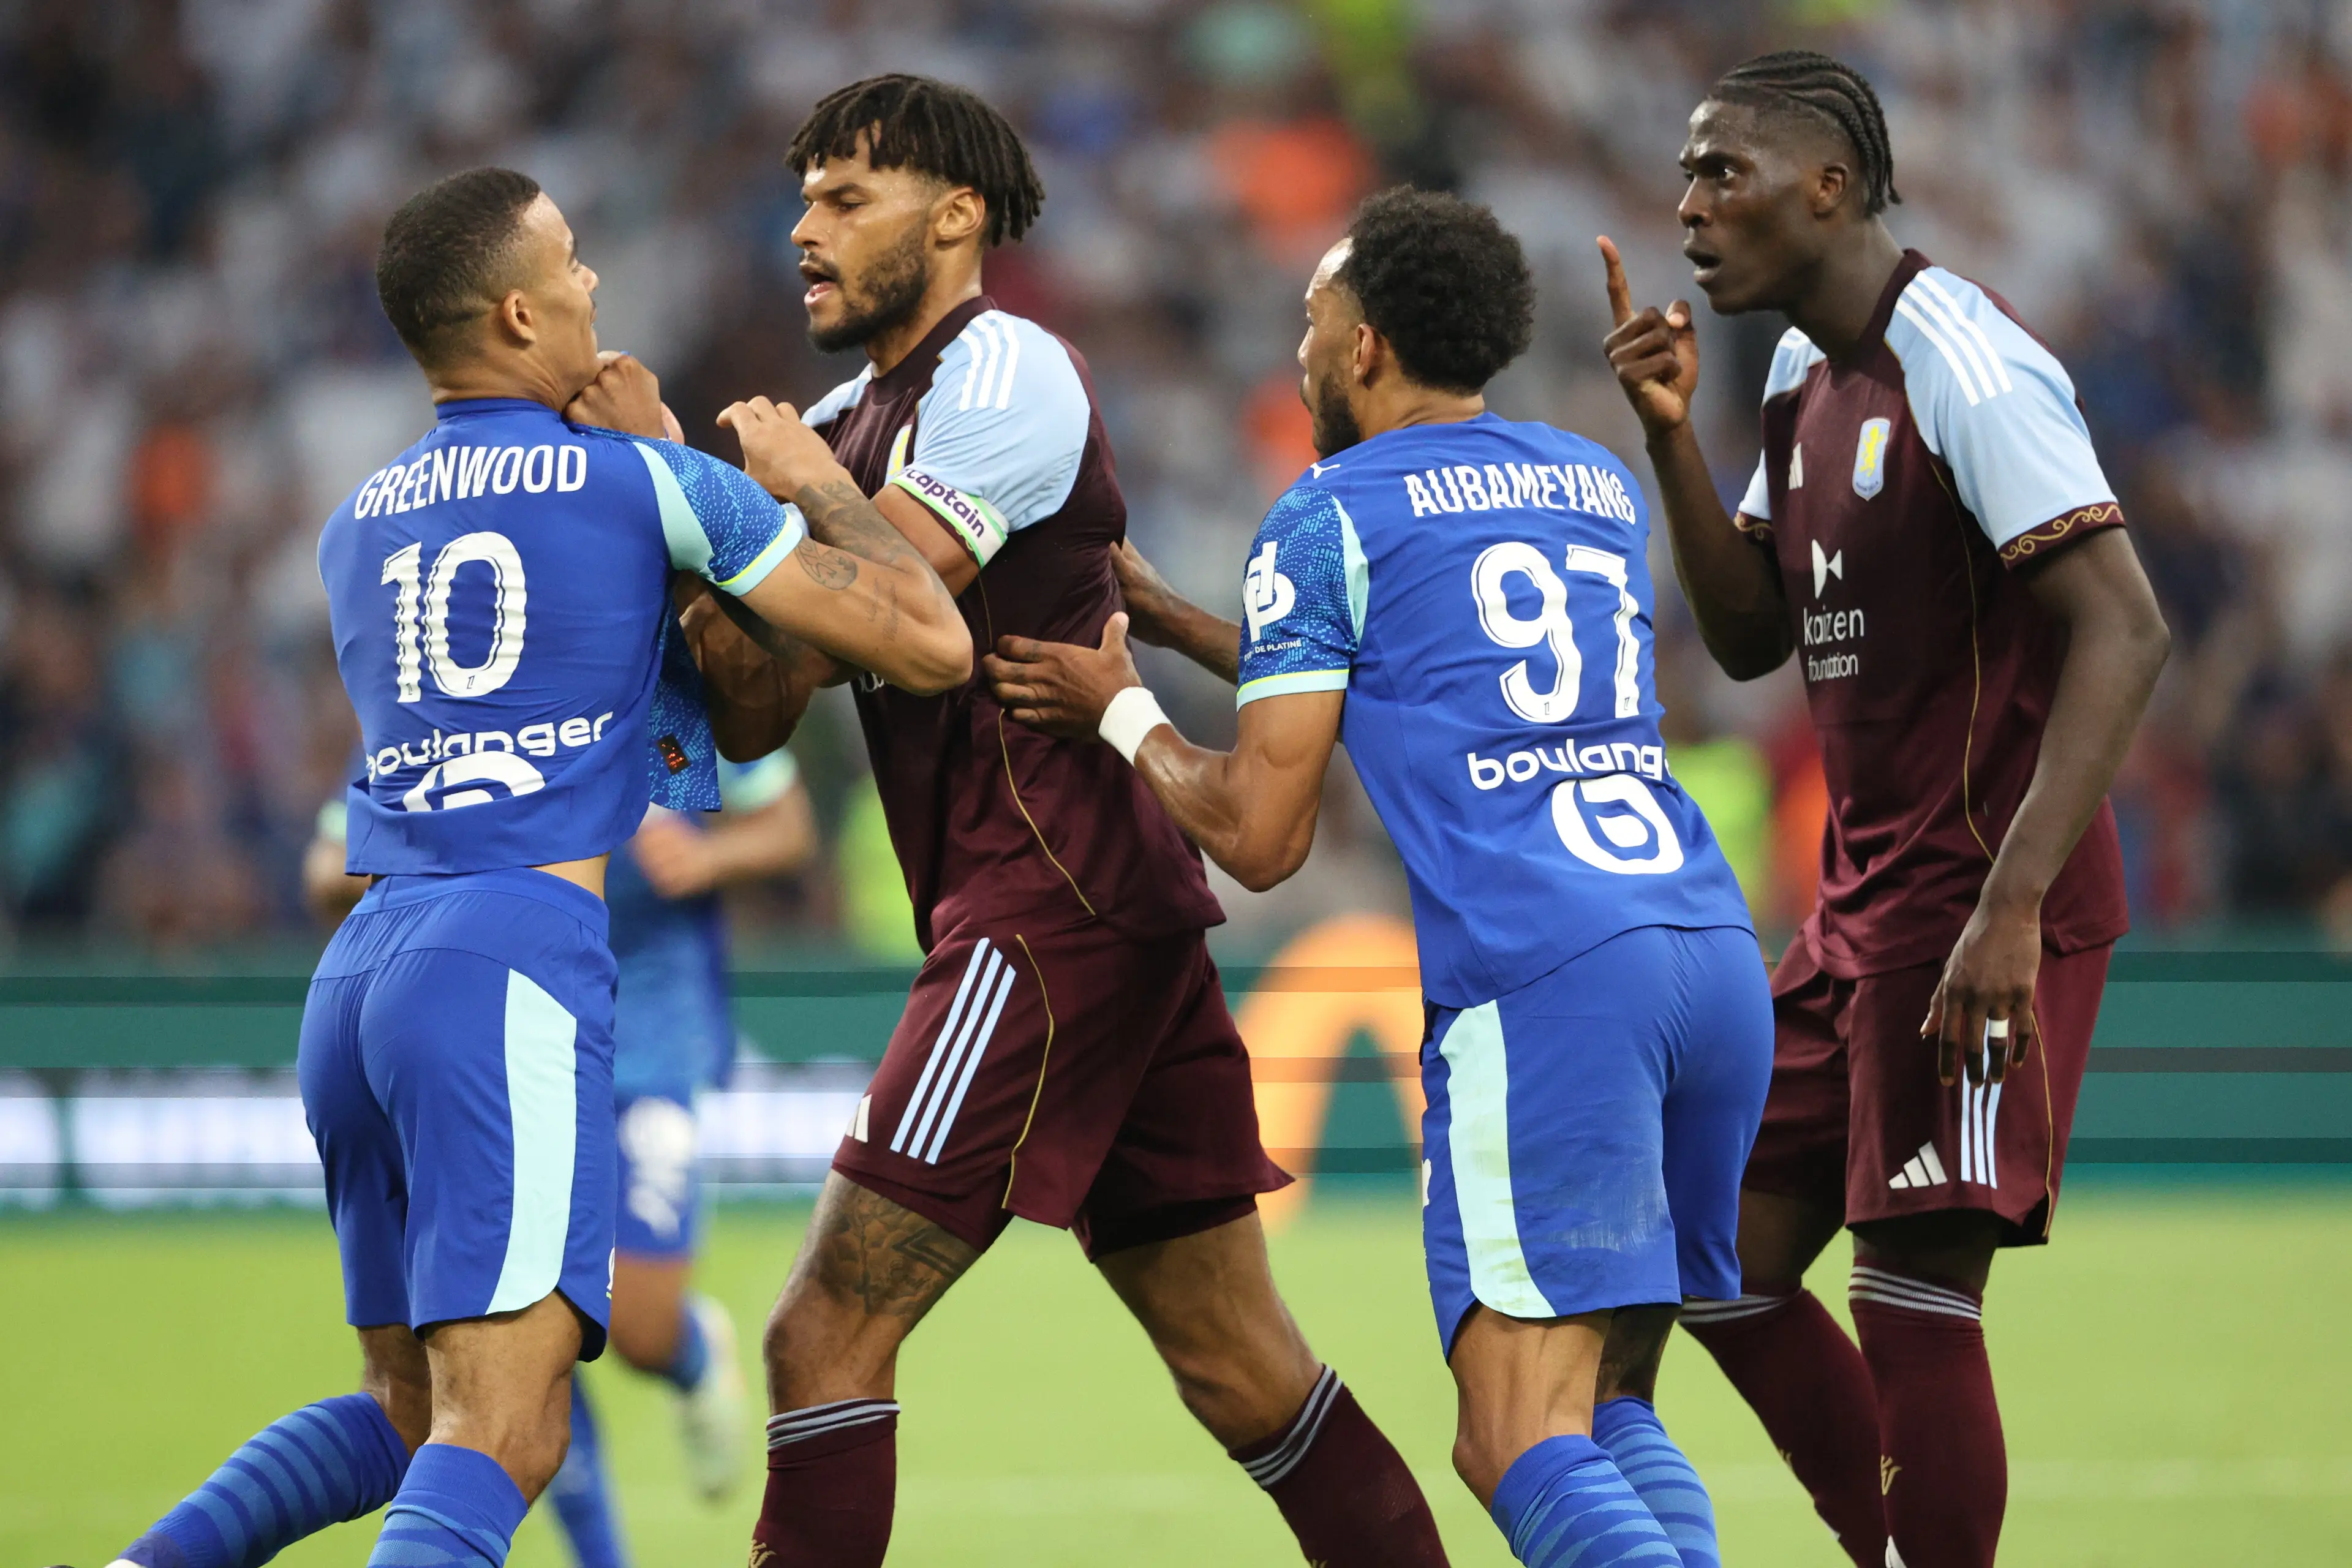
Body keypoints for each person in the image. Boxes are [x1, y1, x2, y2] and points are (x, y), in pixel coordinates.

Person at [104, 165, 967, 1568]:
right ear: (519, 310)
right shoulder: (641, 479)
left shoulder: (357, 522)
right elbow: (929, 640)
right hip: (512, 962)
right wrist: (800, 486)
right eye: (572, 266)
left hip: (364, 968)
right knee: (508, 1433)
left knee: (403, 1413)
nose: (594, 288)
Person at [688, 75, 1448, 1568]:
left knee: (821, 1334)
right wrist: (727, 534)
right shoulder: (852, 416)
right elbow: (752, 704)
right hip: (1112, 911)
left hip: (1042, 916)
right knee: (1244, 1366)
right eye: (804, 200)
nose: (806, 229)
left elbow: (905, 620)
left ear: (955, 216)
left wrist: (776, 508)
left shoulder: (1008, 374)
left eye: (847, 197)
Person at [984, 187, 1773, 1568]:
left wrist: (1120, 707)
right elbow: (1438, 673)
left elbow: (1261, 831)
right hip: (1705, 949)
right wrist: (1179, 626)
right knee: (1610, 1397)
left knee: (1513, 1435)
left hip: (1549, 983)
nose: (1298, 347)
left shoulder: (1328, 507)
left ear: (1363, 349)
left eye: (1312, 319)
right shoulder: (1590, 479)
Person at [1599, 50, 2170, 1568]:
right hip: (1864, 908)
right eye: (1685, 178)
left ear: (1831, 187)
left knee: (1915, 1287)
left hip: (1983, 896)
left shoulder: (1968, 365)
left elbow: (2127, 625)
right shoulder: (1798, 374)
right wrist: (1668, 436)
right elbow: (1747, 636)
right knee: (1709, 1246)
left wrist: (2013, 907)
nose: (1689, 210)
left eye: (1724, 174)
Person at [300, 747, 818, 1568]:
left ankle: (687, 1348)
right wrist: (415, 862)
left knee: (639, 1325)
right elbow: (329, 862)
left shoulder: (665, 701)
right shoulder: (453, 712)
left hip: (652, 1040)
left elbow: (788, 825)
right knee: (521, 1321)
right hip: (511, 1039)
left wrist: (709, 854)